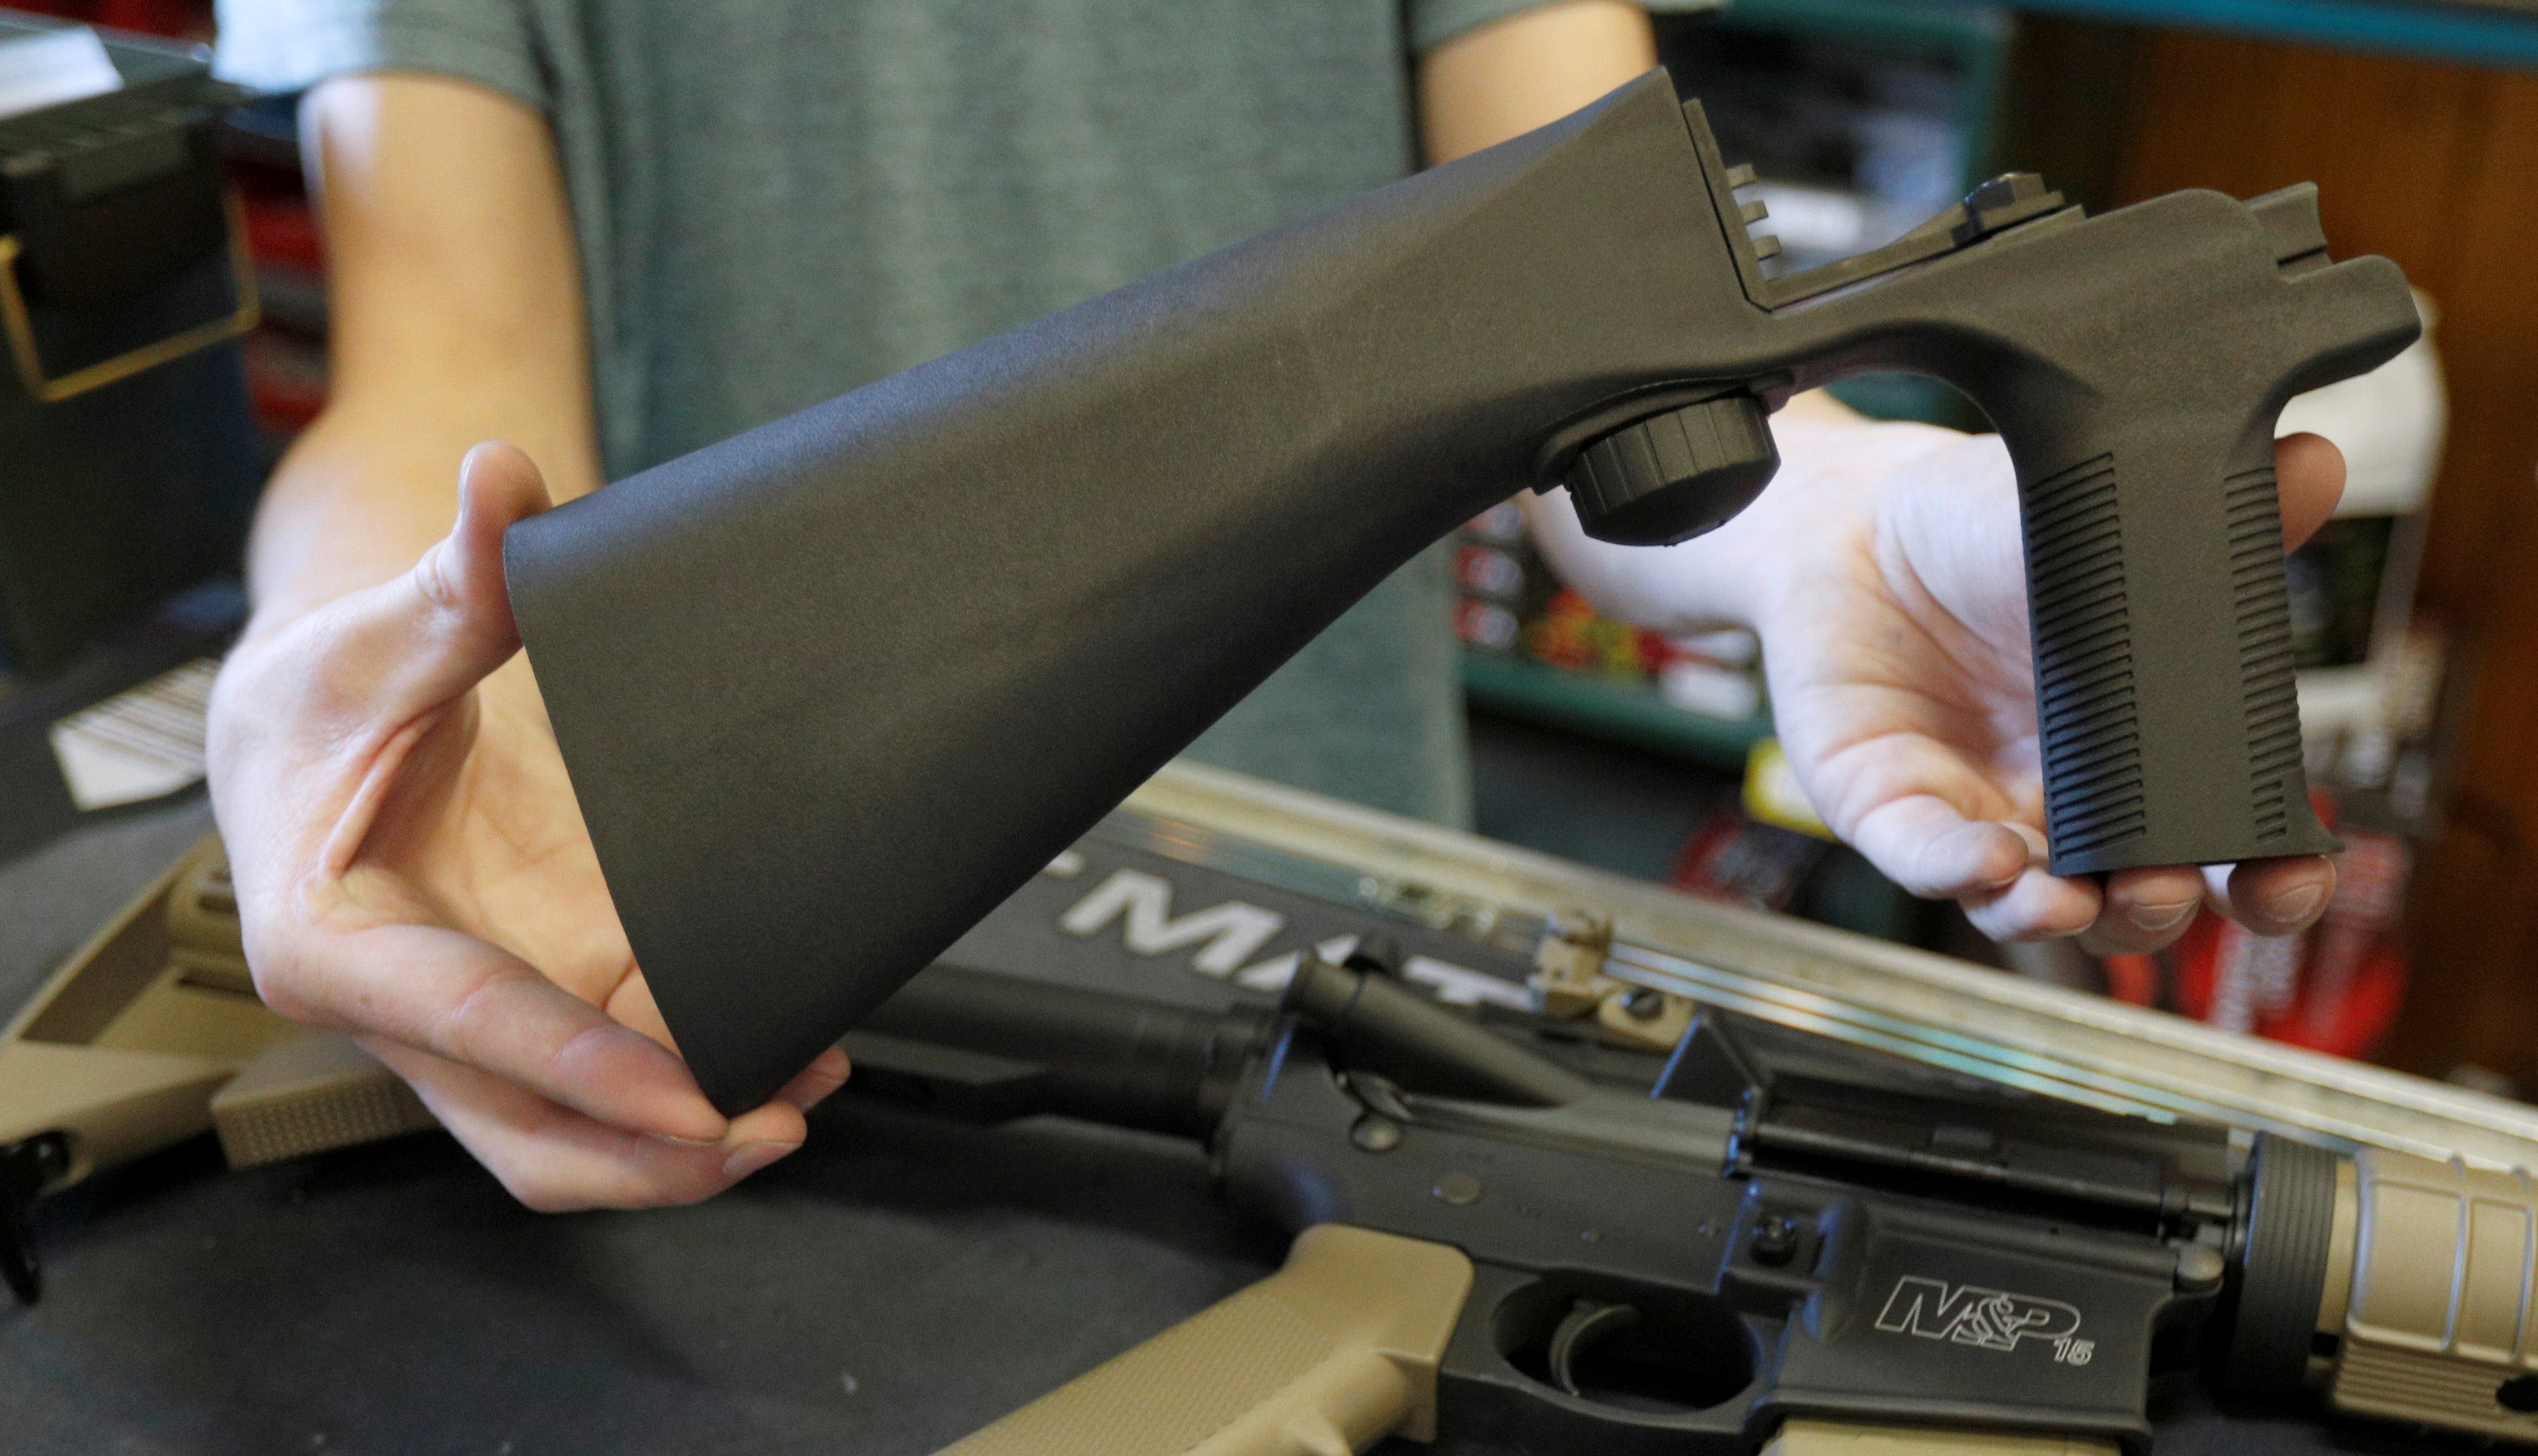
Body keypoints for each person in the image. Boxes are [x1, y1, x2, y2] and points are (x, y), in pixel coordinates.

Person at [203, 0, 2346, 1213]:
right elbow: (447, 385)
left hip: (1353, 971)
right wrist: (361, 681)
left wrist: (1830, 519)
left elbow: (1593, 318)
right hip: (767, 991)